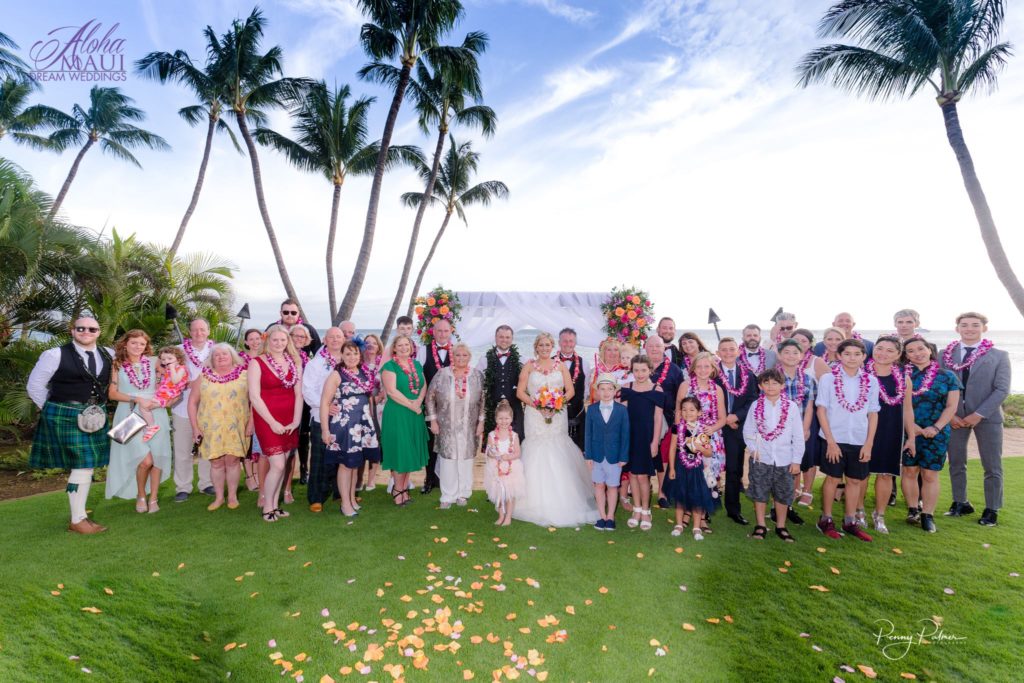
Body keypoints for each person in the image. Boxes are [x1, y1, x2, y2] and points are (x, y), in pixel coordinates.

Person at [26, 316, 113, 533]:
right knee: (82, 464)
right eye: (80, 328)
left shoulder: (108, 354)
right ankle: (77, 519)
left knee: (86, 465)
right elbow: (34, 386)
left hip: (96, 415)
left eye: (92, 329)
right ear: (72, 331)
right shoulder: (54, 354)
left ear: (99, 332)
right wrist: (55, 410)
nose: (86, 332)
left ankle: (79, 517)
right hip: (65, 414)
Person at [513, 332, 599, 527]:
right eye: (541, 345)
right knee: (536, 449)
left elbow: (571, 391)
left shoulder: (560, 366)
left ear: (552, 347)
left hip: (557, 415)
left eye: (547, 345)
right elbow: (520, 392)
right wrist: (537, 405)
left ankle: (565, 497)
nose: (544, 348)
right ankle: (532, 500)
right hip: (535, 415)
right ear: (536, 347)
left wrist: (557, 404)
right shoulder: (528, 366)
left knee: (557, 448)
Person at [940, 312, 1011, 526]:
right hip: (955, 417)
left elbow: (1002, 389)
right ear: (957, 329)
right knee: (956, 462)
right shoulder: (944, 354)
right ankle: (960, 502)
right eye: (964, 325)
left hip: (987, 417)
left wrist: (978, 414)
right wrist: (950, 414)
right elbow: (939, 386)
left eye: (974, 325)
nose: (969, 329)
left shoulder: (999, 355)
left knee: (992, 465)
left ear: (984, 328)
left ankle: (992, 509)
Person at [815, 339, 879, 542]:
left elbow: (873, 413)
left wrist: (869, 443)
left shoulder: (871, 381)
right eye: (847, 354)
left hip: (859, 438)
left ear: (864, 357)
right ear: (839, 356)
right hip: (834, 437)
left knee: (855, 480)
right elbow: (821, 410)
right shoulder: (828, 379)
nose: (852, 358)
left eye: (857, 354)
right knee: (833, 478)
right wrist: (831, 442)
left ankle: (850, 521)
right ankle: (825, 519)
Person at [105, 330, 172, 513]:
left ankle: (154, 498)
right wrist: (136, 399)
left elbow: (172, 380)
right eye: (134, 343)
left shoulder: (154, 361)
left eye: (142, 344)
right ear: (125, 344)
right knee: (145, 461)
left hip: (156, 412)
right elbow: (112, 394)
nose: (138, 347)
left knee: (157, 457)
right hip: (128, 414)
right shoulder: (117, 364)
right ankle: (141, 495)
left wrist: (167, 398)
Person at [903, 336, 961, 533]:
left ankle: (927, 515)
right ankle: (913, 510)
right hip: (908, 430)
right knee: (909, 471)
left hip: (937, 432)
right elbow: (898, 404)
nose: (917, 353)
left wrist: (936, 428)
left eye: (921, 348)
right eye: (911, 351)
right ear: (906, 355)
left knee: (929, 474)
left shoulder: (948, 376)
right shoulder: (901, 375)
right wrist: (912, 427)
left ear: (929, 350)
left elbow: (951, 406)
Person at [249, 325, 303, 522]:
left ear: (287, 341)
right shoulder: (256, 363)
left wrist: (296, 420)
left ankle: (274, 505)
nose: (279, 343)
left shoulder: (294, 362)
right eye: (275, 340)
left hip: (289, 419)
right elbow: (254, 397)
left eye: (283, 340)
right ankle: (267, 507)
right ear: (267, 341)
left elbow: (299, 394)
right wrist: (272, 423)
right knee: (278, 465)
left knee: (284, 462)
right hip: (267, 419)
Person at [187, 344, 251, 511]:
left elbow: (255, 401)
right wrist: (195, 428)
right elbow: (192, 403)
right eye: (217, 355)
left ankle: (232, 496)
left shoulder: (245, 375)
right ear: (212, 359)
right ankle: (219, 497)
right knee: (216, 462)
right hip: (210, 427)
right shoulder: (203, 376)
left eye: (225, 354)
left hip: (237, 425)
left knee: (233, 461)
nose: (221, 357)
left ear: (232, 356)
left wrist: (251, 423)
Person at [743, 369, 804, 542]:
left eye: (775, 383)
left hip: (785, 459)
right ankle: (761, 525)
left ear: (782, 386)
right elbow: (748, 430)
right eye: (766, 383)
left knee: (783, 493)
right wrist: (754, 449)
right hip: (762, 458)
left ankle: (781, 526)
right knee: (760, 491)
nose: (770, 386)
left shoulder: (791, 407)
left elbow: (798, 436)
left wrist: (796, 460)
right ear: (760, 386)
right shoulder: (756, 406)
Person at [321, 340, 380, 517]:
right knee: (346, 465)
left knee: (355, 464)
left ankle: (352, 498)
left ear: (360, 355)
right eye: (348, 353)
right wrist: (325, 430)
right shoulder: (336, 375)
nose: (352, 357)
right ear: (341, 355)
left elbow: (369, 398)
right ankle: (345, 504)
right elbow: (324, 403)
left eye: (355, 353)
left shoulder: (364, 372)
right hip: (344, 425)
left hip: (362, 424)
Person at [427, 343, 485, 508]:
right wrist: (433, 420)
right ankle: (447, 495)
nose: (461, 358)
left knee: (466, 460)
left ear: (469, 357)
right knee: (448, 459)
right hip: (446, 425)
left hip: (469, 425)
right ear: (453, 356)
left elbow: (483, 401)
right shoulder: (442, 374)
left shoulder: (477, 375)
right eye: (458, 355)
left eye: (464, 355)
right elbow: (430, 397)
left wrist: (481, 422)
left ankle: (463, 494)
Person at [675, 351, 727, 533]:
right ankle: (687, 512)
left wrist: (712, 429)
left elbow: (723, 417)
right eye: (699, 366)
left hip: (709, 438)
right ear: (693, 368)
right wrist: (680, 433)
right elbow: (678, 412)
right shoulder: (685, 386)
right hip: (688, 437)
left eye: (707, 366)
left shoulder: (717, 389)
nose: (703, 370)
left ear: (713, 369)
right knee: (689, 476)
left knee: (706, 477)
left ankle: (703, 516)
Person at [862, 336, 905, 534]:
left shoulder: (903, 378)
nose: (883, 353)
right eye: (879, 348)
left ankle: (879, 515)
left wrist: (911, 438)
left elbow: (908, 410)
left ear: (898, 355)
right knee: (861, 473)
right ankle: (858, 511)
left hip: (891, 428)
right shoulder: (861, 373)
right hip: (863, 428)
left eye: (890, 350)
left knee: (886, 473)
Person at [618, 355, 666, 531]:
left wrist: (654, 442)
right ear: (632, 370)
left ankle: (646, 511)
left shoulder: (657, 390)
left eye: (643, 370)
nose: (639, 374)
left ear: (650, 370)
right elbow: (622, 416)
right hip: (630, 437)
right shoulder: (626, 388)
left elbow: (658, 418)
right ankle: (636, 510)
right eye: (636, 370)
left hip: (646, 438)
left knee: (643, 476)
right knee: (631, 474)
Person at [716, 337, 760, 526]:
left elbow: (753, 399)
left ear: (738, 351)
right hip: (714, 427)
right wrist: (725, 418)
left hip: (736, 428)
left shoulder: (748, 375)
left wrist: (736, 417)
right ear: (718, 353)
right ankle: (705, 508)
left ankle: (733, 509)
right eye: (723, 350)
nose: (728, 353)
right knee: (709, 467)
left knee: (734, 470)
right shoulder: (711, 372)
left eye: (731, 349)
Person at [381, 335, 428, 506]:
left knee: (410, 450)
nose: (403, 348)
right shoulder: (389, 366)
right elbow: (391, 392)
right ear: (394, 348)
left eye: (406, 345)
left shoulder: (416, 364)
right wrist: (411, 405)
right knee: (400, 451)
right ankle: (397, 489)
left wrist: (419, 401)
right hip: (398, 413)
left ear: (411, 347)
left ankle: (404, 488)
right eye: (399, 345)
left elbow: (423, 385)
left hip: (414, 413)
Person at [302, 327, 344, 512]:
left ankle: (340, 492)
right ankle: (316, 497)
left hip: (345, 417)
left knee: (343, 456)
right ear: (325, 340)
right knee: (320, 457)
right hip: (321, 416)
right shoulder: (315, 363)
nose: (335, 340)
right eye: (331, 337)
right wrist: (325, 406)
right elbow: (307, 390)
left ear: (343, 339)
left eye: (339, 337)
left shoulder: (349, 360)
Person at [173, 319, 215, 501]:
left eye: (202, 329)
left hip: (210, 407)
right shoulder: (178, 351)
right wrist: (185, 383)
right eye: (195, 330)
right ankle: (183, 486)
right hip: (182, 406)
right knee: (183, 449)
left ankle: (207, 483)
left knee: (208, 448)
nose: (199, 333)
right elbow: (167, 375)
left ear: (208, 331)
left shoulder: (216, 350)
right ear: (189, 332)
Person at [667, 397, 719, 541]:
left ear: (699, 412)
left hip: (697, 467)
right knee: (680, 495)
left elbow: (709, 453)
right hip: (680, 466)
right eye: (684, 410)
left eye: (692, 410)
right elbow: (672, 449)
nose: (687, 413)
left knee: (697, 496)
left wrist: (700, 447)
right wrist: (672, 468)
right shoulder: (677, 428)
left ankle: (696, 527)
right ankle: (679, 524)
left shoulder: (704, 430)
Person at [775, 339, 819, 508]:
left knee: (799, 460)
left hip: (801, 426)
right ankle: (784, 496)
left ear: (801, 356)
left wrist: (805, 429)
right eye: (786, 352)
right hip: (779, 429)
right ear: (779, 355)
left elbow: (809, 406)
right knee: (782, 462)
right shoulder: (772, 377)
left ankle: (797, 493)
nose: (791, 356)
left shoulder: (808, 379)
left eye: (795, 353)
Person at [584, 374, 629, 531]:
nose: (606, 392)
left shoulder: (622, 410)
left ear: (615, 391)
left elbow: (625, 435)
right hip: (596, 455)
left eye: (609, 389)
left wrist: (623, 456)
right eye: (602, 389)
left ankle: (610, 516)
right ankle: (601, 515)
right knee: (599, 485)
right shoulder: (591, 409)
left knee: (612, 486)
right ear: (597, 391)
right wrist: (588, 455)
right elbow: (588, 434)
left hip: (614, 456)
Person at [644, 336, 684, 507]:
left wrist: (678, 419)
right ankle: (644, 490)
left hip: (667, 420)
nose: (654, 349)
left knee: (664, 457)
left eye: (658, 346)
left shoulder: (674, 370)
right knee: (644, 455)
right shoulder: (639, 365)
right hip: (642, 419)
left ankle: (663, 492)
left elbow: (681, 397)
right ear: (645, 348)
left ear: (664, 348)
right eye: (651, 346)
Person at [416, 318, 454, 494]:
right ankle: (430, 479)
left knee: (449, 442)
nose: (443, 334)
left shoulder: (457, 351)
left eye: (446, 331)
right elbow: (418, 377)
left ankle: (447, 479)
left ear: (450, 332)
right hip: (430, 404)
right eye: (439, 330)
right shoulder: (423, 351)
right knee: (430, 443)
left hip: (451, 406)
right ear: (433, 332)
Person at [484, 400, 525, 526]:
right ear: (496, 419)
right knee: (499, 493)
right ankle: (501, 515)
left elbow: (518, 453)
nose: (504, 421)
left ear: (511, 419)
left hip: (511, 468)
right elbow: (489, 451)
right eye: (500, 418)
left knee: (510, 494)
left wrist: (508, 457)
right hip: (496, 467)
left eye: (506, 418)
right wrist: (494, 455)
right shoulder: (491, 435)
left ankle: (508, 517)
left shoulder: (514, 436)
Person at [479, 325, 524, 441]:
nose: (504, 340)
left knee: (516, 441)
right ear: (495, 338)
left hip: (515, 410)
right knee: (493, 442)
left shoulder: (522, 359)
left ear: (512, 339)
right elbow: (477, 382)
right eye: (501, 337)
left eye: (507, 337)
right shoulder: (484, 359)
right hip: (492, 410)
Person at [135, 347, 187, 442]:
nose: (166, 361)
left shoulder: (181, 368)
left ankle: (152, 427)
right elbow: (162, 375)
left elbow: (175, 381)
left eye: (170, 358)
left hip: (169, 395)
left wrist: (172, 368)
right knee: (143, 406)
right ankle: (150, 426)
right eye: (163, 359)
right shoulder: (168, 369)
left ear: (178, 359)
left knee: (145, 406)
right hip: (162, 393)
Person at [288, 324, 316, 490]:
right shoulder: (284, 355)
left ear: (307, 340)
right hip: (287, 401)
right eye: (295, 336)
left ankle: (304, 469)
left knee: (304, 437)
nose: (298, 339)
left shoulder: (306, 357)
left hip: (304, 402)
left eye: (302, 337)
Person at [359, 333, 385, 491]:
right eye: (367, 342)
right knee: (361, 442)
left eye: (374, 343)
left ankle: (371, 480)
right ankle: (358, 479)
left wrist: (380, 396)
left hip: (378, 407)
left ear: (379, 346)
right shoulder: (357, 363)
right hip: (361, 407)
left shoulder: (383, 363)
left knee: (376, 442)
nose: (370, 345)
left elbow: (389, 384)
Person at [240, 328, 264, 491]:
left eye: (257, 338)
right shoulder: (240, 361)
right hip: (244, 402)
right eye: (251, 339)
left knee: (258, 441)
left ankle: (257, 474)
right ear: (246, 342)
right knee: (246, 441)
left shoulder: (265, 357)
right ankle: (249, 476)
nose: (255, 342)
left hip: (262, 401)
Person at [557, 328, 587, 452]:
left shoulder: (584, 363)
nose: (568, 344)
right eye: (565, 341)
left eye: (571, 341)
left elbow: (586, 388)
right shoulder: (551, 361)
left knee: (579, 448)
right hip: (556, 414)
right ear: (559, 342)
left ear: (575, 343)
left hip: (578, 412)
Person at [585, 338, 624, 403]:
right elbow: (594, 394)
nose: (612, 353)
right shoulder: (596, 370)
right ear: (604, 352)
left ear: (620, 353)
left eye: (616, 350)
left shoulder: (625, 370)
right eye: (609, 350)